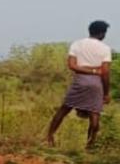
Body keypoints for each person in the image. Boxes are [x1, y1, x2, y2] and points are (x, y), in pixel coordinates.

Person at [47, 20, 112, 148]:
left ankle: (49, 137)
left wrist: (86, 70)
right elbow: (105, 72)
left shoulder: (77, 44)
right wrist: (106, 93)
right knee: (95, 113)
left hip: (80, 80)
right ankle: (90, 144)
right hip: (96, 83)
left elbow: (72, 65)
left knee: (64, 109)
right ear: (101, 34)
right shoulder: (105, 48)